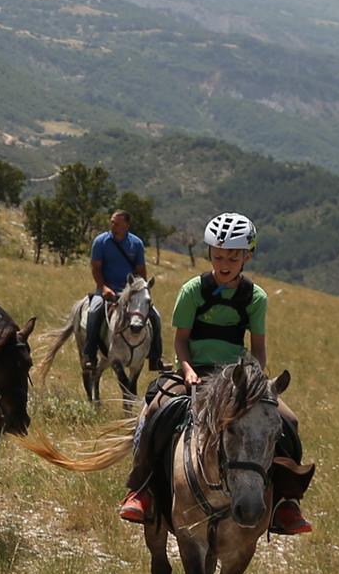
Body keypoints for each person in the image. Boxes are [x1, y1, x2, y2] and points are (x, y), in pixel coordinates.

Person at [118, 210, 313, 535]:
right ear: (210, 253)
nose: (225, 263)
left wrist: (254, 376)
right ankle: (141, 488)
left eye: (233, 257)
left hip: (238, 376)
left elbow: (259, 346)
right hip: (195, 370)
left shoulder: (255, 297)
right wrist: (188, 370)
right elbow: (181, 341)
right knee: (156, 409)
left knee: (286, 420)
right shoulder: (193, 290)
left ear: (247, 256)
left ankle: (285, 502)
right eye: (219, 255)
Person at [88, 209, 147, 313]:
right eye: (112, 223)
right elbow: (96, 268)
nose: (113, 226)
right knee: (93, 312)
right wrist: (103, 288)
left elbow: (141, 271)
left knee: (154, 316)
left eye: (117, 224)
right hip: (106, 291)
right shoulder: (100, 242)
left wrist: (142, 291)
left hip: (130, 291)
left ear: (127, 225)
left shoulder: (137, 244)